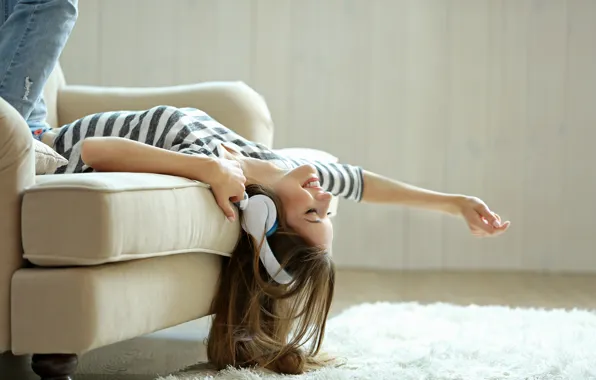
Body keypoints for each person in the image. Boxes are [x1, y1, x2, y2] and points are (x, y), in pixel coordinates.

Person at [0, 0, 510, 375]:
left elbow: (94, 153)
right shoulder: (284, 167)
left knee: (52, 5)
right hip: (39, 118)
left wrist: (208, 169)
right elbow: (362, 183)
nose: (325, 199)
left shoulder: (225, 185)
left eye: (313, 214)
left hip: (27, 136)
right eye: (326, 212)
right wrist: (453, 203)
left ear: (265, 222)